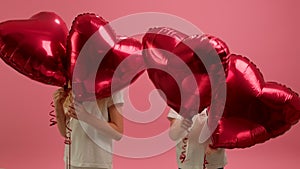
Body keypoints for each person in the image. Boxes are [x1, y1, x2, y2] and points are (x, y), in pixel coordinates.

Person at [53, 87, 124, 169]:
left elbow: (118, 133)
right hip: (72, 160)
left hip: (97, 163)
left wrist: (86, 117)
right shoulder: (71, 86)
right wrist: (58, 108)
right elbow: (65, 133)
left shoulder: (112, 88)